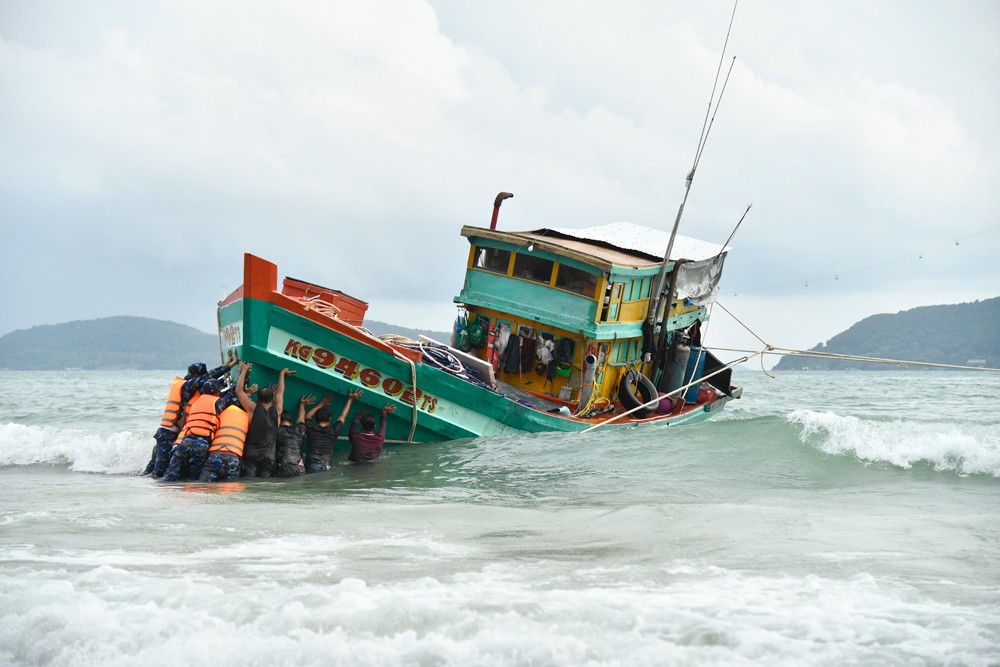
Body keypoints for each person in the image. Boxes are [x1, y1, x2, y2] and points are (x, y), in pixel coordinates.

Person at [142, 353, 238, 476]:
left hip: (167, 434)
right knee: (159, 471)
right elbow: (206, 381)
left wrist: (226, 380)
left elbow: (211, 387)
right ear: (195, 376)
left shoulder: (192, 388)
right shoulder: (186, 386)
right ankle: (149, 490)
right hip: (167, 435)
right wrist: (227, 367)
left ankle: (142, 484)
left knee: (153, 469)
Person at [235, 362, 292, 479]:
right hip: (269, 458)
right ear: (273, 399)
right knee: (264, 483)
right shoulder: (278, 411)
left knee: (248, 481)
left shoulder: (253, 409)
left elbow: (239, 391)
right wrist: (282, 374)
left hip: (251, 455)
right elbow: (281, 392)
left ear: (258, 398)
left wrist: (244, 370)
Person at [161, 379, 223, 481]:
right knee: (194, 477)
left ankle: (165, 493)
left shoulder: (196, 402)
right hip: (201, 444)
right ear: (216, 391)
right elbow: (230, 396)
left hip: (186, 441)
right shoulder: (218, 402)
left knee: (170, 474)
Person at [304, 389, 362, 473]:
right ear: (330, 419)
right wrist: (350, 399)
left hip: (312, 465)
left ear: (316, 419)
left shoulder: (310, 428)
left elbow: (308, 415)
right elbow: (343, 415)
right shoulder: (334, 431)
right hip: (326, 466)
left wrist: (321, 404)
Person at [198, 402, 249, 483]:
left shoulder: (221, 414)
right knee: (229, 490)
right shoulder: (247, 417)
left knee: (203, 487)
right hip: (232, 459)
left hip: (215, 456)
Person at [275, 395, 313, 477]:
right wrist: (302, 405)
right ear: (291, 422)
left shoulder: (276, 431)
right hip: (300, 467)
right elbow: (301, 418)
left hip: (285, 467)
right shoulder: (299, 430)